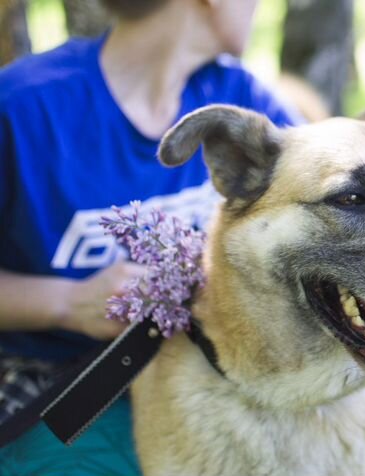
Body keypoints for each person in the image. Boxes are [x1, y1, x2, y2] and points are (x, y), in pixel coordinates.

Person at [0, 0, 300, 472]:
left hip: (202, 373)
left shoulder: (238, 96)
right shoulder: (22, 107)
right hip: (61, 386)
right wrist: (67, 301)